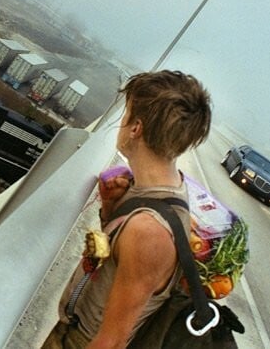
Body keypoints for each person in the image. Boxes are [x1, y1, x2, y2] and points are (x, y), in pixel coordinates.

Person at [41, 70, 212, 348]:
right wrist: (110, 208)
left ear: (136, 128)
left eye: (126, 114)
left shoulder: (148, 231)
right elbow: (115, 259)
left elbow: (112, 341)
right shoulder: (154, 190)